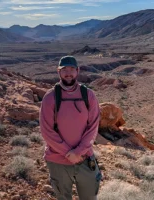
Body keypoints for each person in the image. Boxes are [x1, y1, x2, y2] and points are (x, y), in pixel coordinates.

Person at [39, 55, 101, 200]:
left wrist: (78, 152)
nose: (68, 72)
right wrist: (69, 153)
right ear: (58, 72)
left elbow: (93, 128)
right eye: (64, 69)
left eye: (72, 69)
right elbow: (47, 131)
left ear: (77, 71)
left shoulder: (89, 95)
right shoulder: (50, 97)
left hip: (85, 158)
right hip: (57, 160)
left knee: (90, 197)